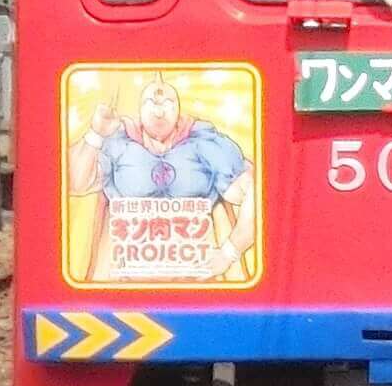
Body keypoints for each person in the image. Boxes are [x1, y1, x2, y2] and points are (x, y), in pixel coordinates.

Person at [67, 73, 256, 282]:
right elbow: (75, 182)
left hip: (195, 287)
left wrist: (229, 252)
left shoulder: (204, 144)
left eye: (167, 101)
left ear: (178, 109)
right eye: (151, 101)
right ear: (140, 109)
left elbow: (257, 190)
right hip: (124, 286)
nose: (159, 107)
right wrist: (96, 134)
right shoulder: (119, 142)